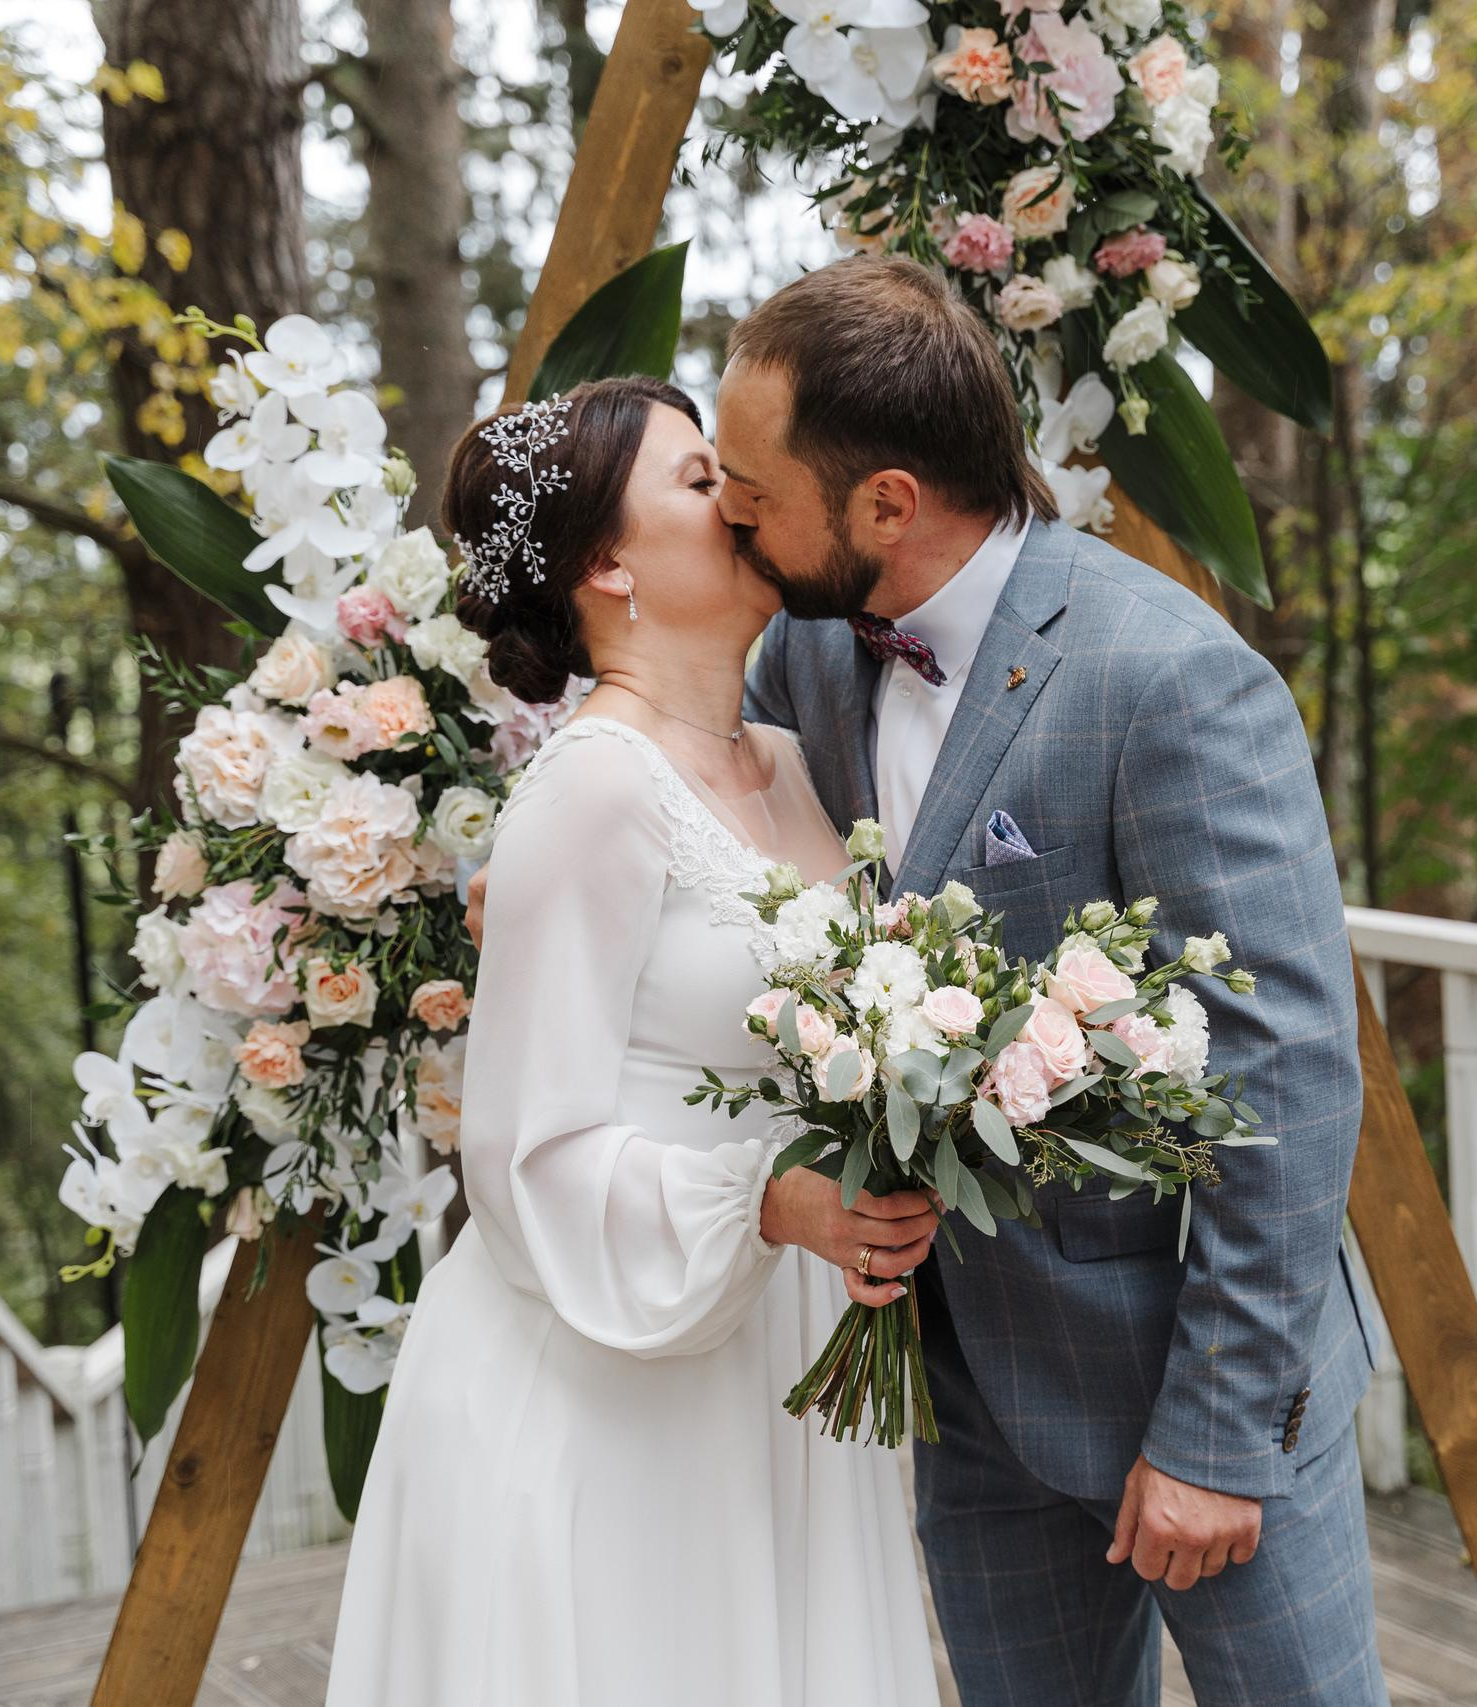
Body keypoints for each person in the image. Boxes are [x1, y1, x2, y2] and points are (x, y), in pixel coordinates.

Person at [718, 257, 1386, 1707]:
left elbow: (1287, 1074)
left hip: (1195, 1391)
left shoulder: (1170, 678)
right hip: (971, 1392)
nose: (729, 516)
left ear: (886, 503)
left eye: (752, 492)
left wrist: (1212, 1436)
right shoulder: (810, 659)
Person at [323, 375, 944, 1706]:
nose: (740, 497)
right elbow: (522, 1157)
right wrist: (768, 1203)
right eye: (697, 478)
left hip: (768, 1365)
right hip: (605, 1391)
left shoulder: (783, 762)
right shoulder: (595, 785)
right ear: (608, 563)